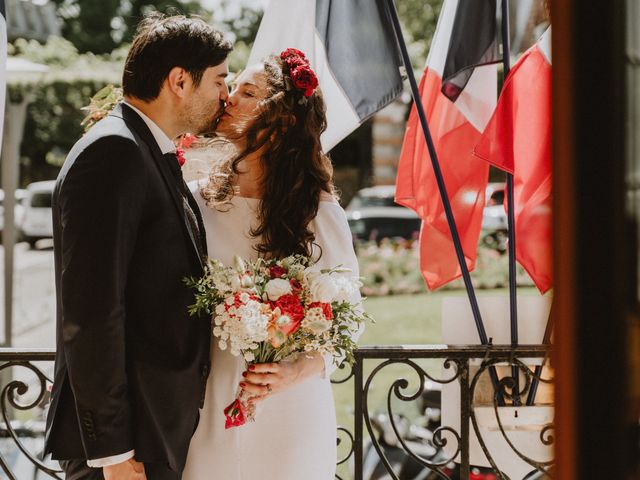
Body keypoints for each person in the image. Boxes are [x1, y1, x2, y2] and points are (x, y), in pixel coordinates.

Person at [44, 14, 232, 480]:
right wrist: (113, 453)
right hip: (126, 449)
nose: (225, 95)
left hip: (152, 434)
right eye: (220, 80)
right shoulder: (113, 152)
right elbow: (91, 312)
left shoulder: (142, 147)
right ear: (180, 81)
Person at [182, 50, 362, 479]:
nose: (227, 98)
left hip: (290, 413)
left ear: (280, 120)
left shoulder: (317, 212)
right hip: (206, 410)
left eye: (246, 91)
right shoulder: (193, 200)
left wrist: (295, 370)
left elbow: (349, 319)